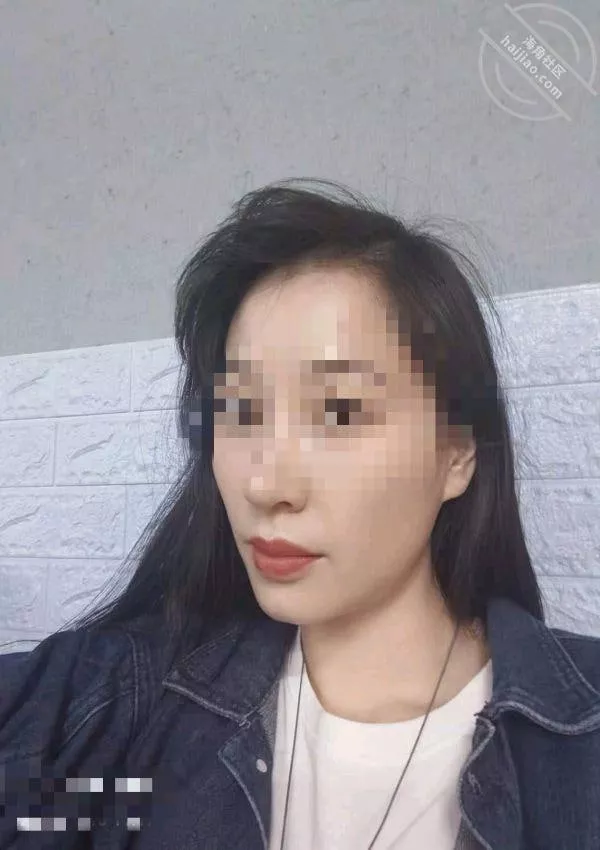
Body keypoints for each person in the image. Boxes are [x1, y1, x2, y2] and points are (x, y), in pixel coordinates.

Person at [1, 179, 600, 850]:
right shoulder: (127, 705)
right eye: (240, 412)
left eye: (339, 413)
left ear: (457, 454)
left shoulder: (579, 746)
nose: (266, 484)